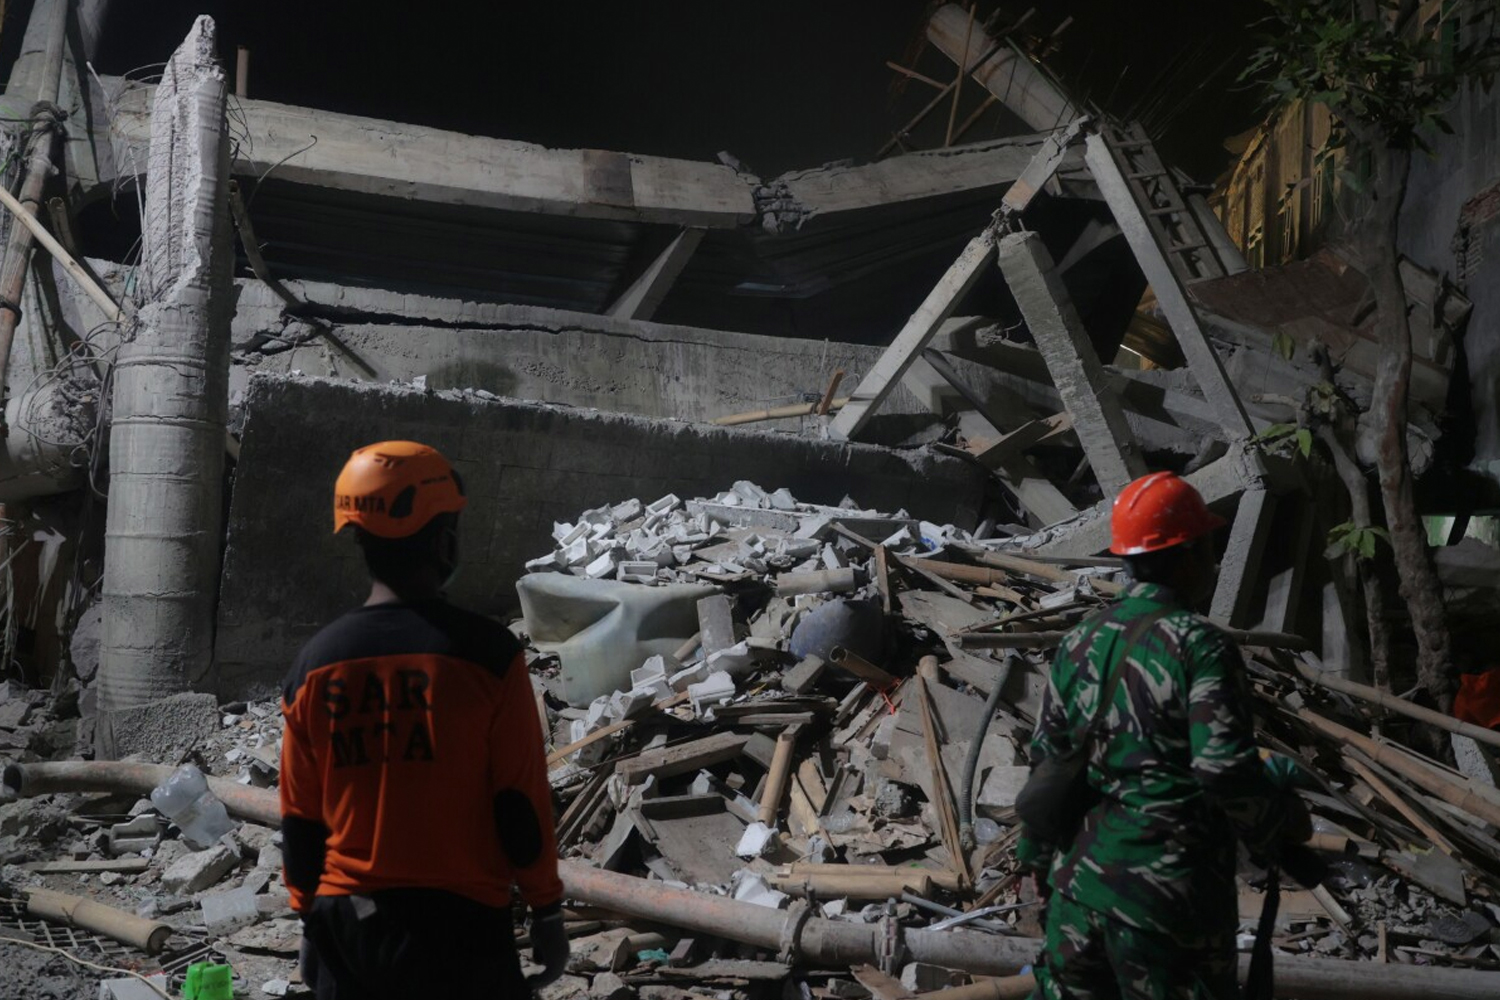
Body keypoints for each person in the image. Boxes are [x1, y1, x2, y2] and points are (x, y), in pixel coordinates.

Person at [280, 440, 569, 998]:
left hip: (351, 920)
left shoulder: (314, 666)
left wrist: (308, 918)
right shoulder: (488, 656)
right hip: (462, 930)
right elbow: (520, 803)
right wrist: (546, 910)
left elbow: (300, 816)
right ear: (444, 539)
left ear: (358, 539)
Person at [1018, 471, 1308, 1000]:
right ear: (1191, 553)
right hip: (1164, 901)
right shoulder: (1200, 645)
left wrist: (1038, 859)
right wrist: (1273, 827)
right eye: (1210, 548)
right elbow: (1221, 769)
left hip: (1077, 890)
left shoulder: (1080, 639)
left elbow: (1049, 761)